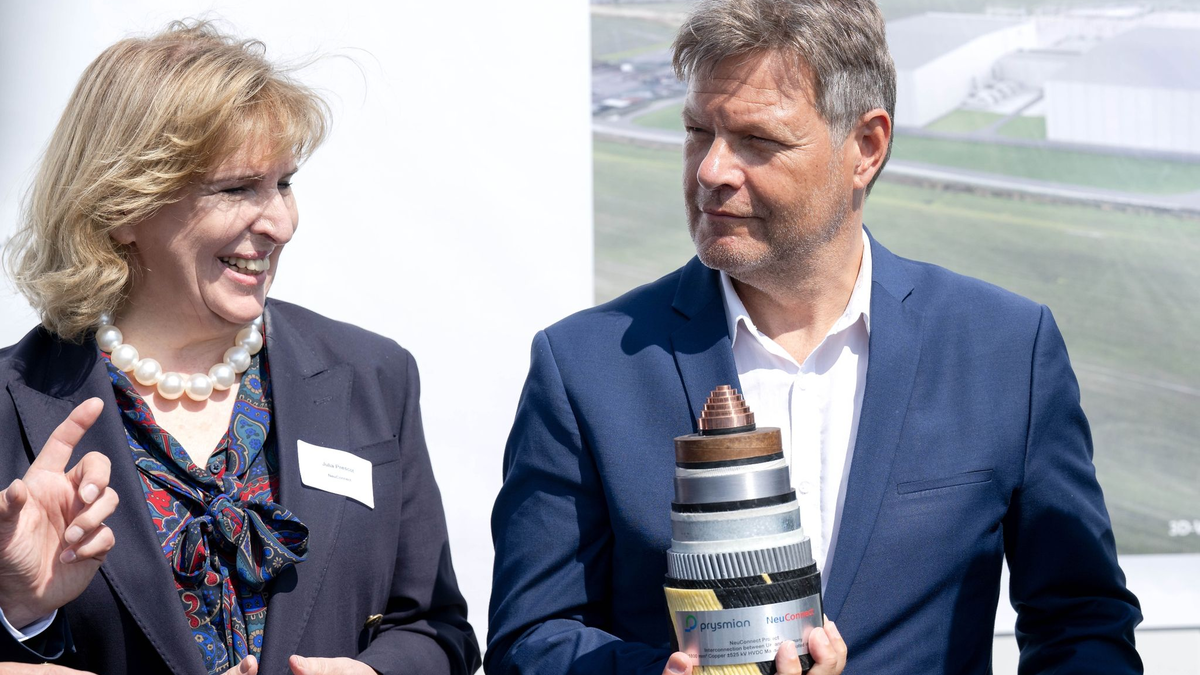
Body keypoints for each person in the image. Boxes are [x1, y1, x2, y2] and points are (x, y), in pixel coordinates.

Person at [487, 0, 1142, 673]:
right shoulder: (584, 366)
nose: (711, 169)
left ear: (866, 147)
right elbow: (529, 639)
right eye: (697, 131)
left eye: (757, 140)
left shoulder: (1004, 349)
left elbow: (1082, 624)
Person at [0, 22, 481, 675]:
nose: (281, 222)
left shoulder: (372, 376)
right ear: (124, 207)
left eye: (284, 183)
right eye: (236, 189)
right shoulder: (15, 404)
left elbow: (435, 628)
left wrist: (374, 673)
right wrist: (17, 607)